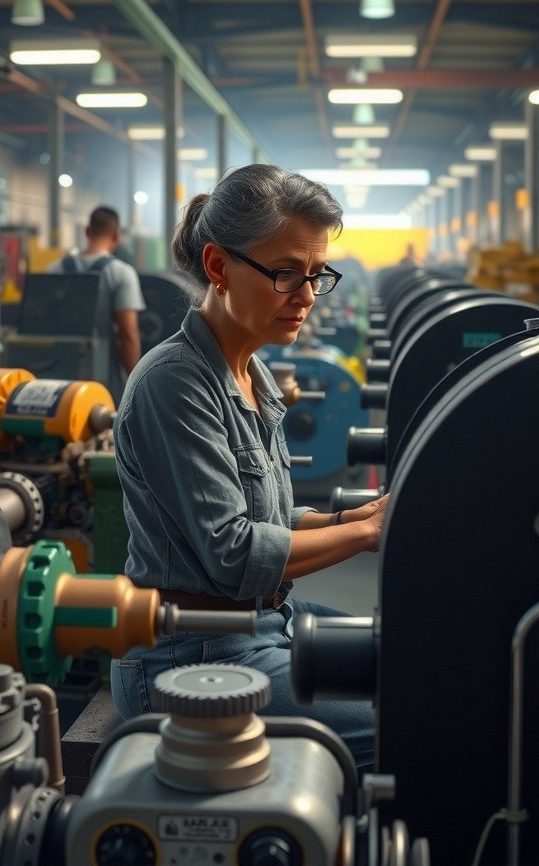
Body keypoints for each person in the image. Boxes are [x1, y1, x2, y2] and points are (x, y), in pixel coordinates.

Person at [110, 165, 388, 772]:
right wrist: (369, 534)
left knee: (411, 655)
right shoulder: (174, 383)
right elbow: (234, 553)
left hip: (263, 623)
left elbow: (266, 515)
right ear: (218, 267)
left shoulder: (251, 372)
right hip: (187, 656)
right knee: (414, 719)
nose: (308, 296)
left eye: (318, 275)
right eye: (287, 273)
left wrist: (352, 515)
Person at [46, 206, 146, 405]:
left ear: (87, 231)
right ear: (116, 235)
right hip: (102, 384)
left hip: (57, 379)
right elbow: (127, 335)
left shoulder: (54, 269)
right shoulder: (121, 273)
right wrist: (137, 384)